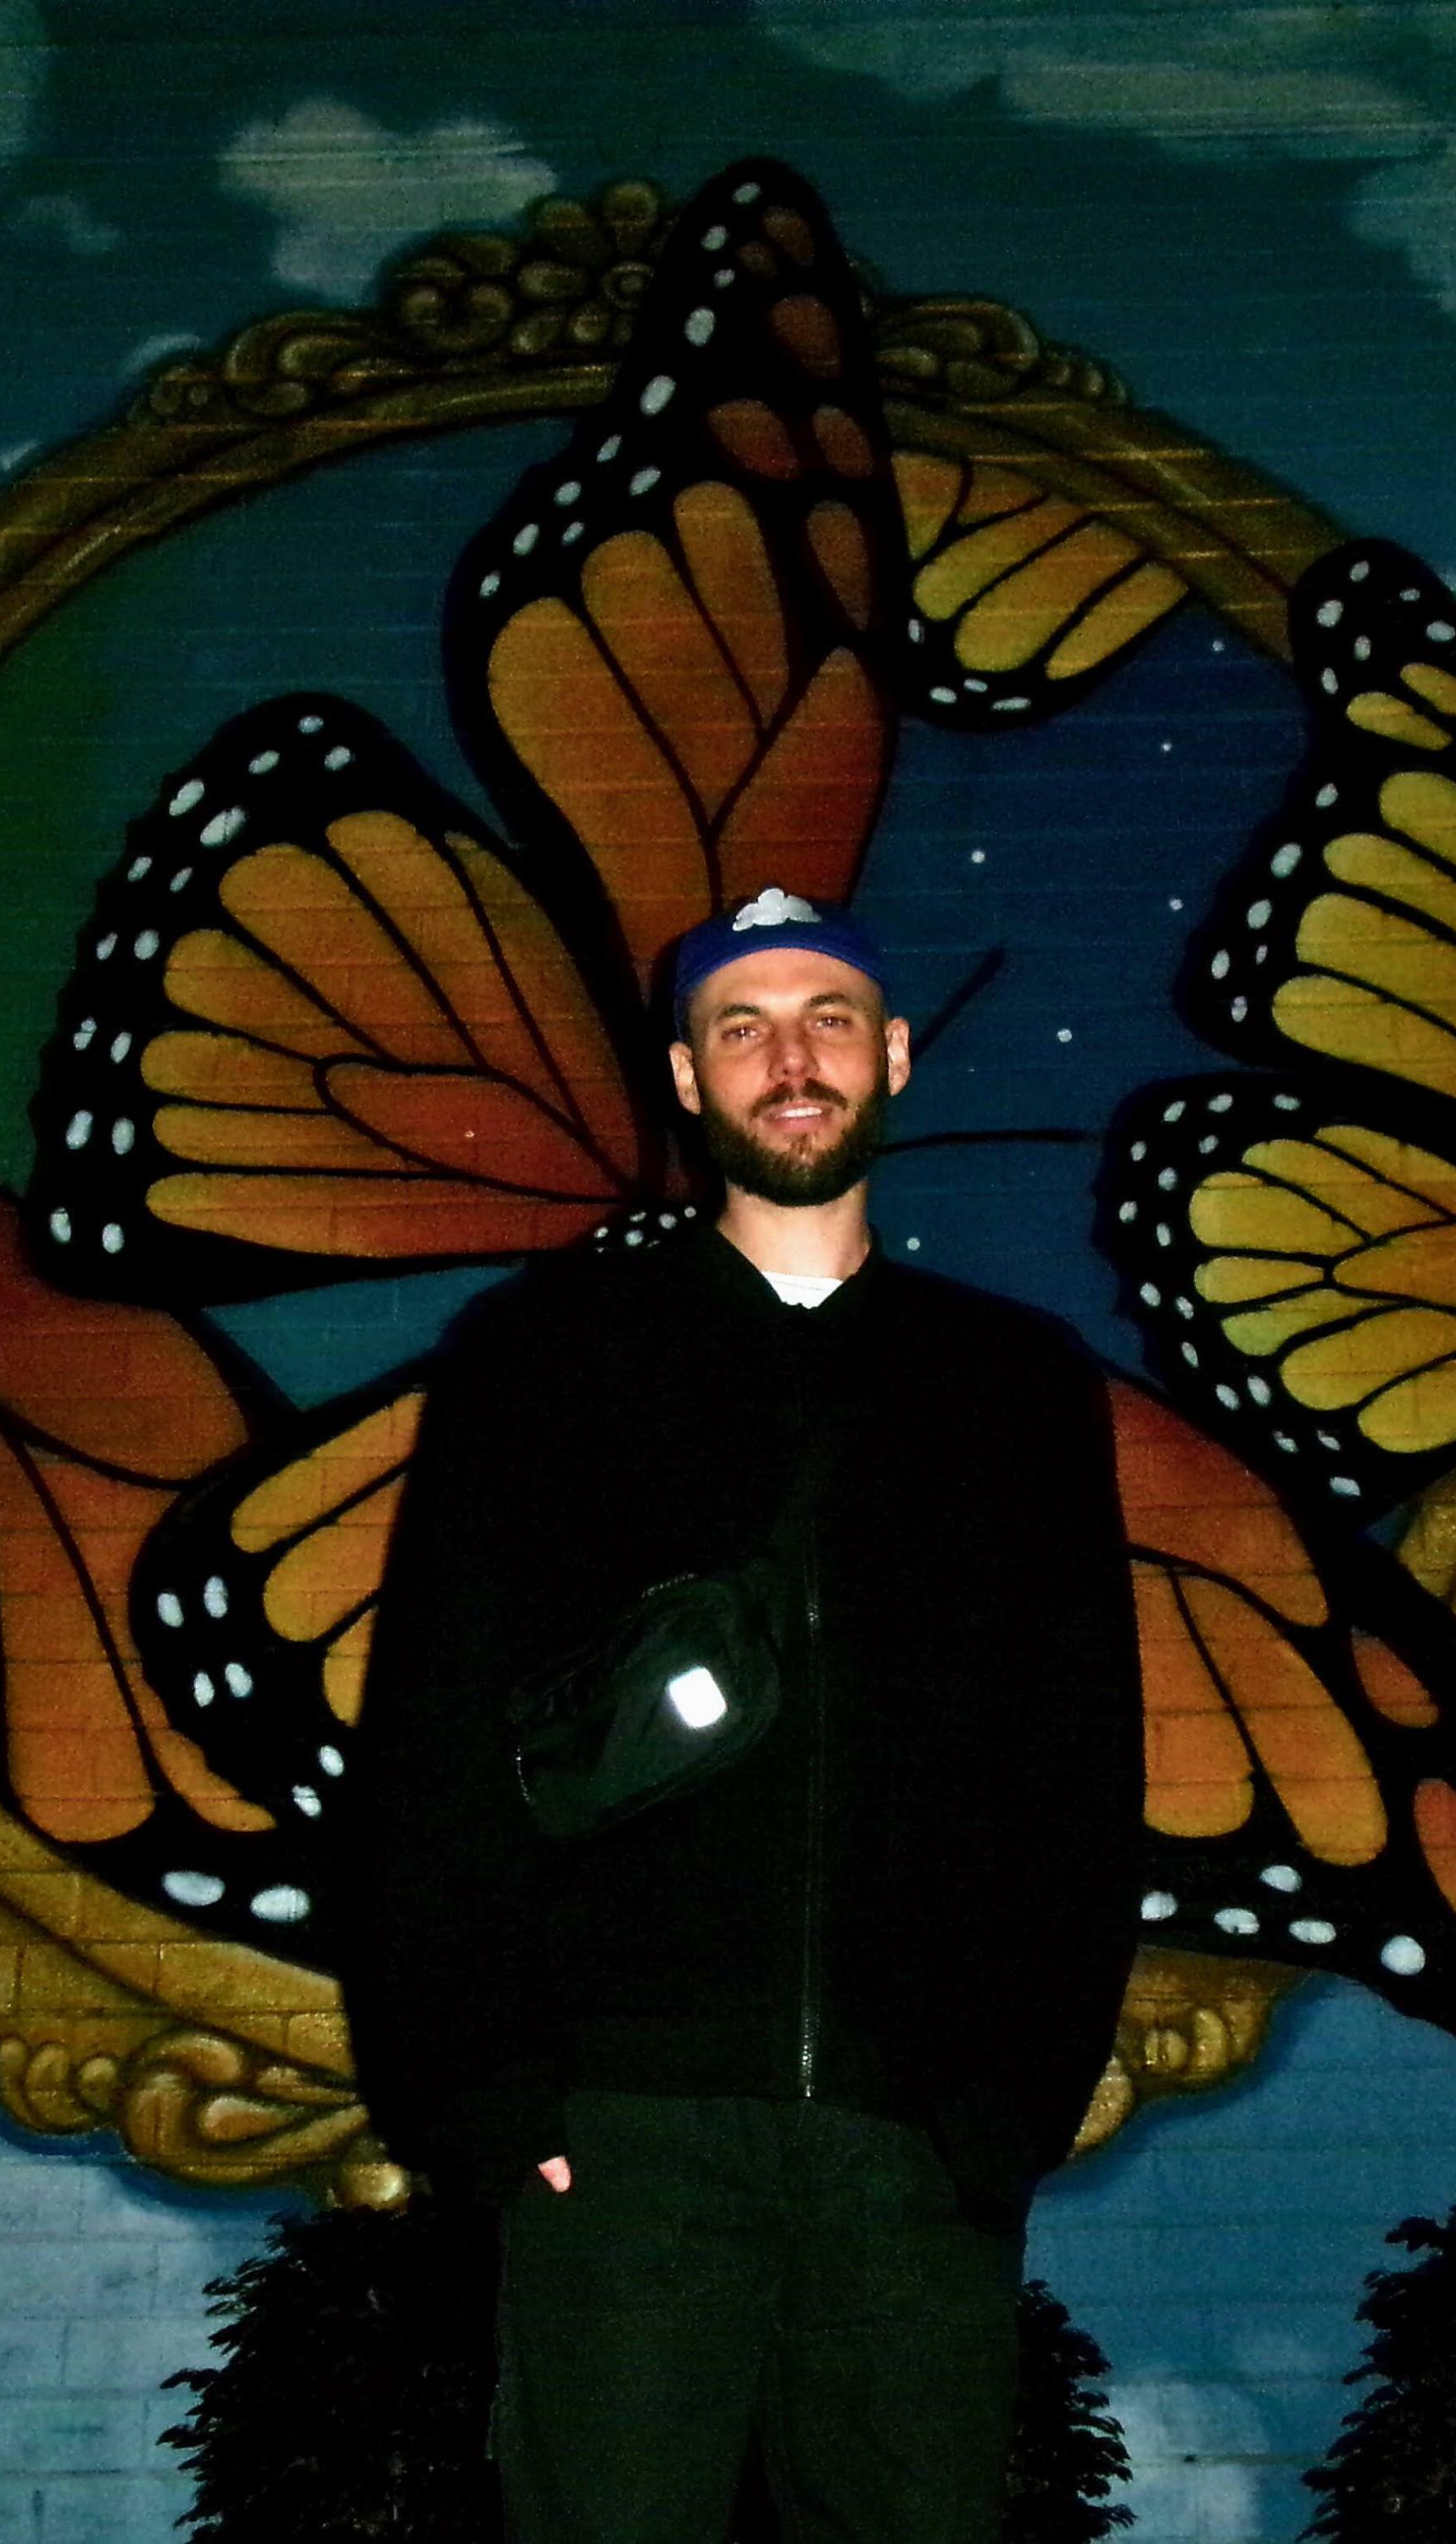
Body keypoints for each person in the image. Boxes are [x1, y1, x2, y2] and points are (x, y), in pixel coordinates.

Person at [346, 888, 1144, 2544]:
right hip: (621, 2134)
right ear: (687, 1077)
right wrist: (489, 2096)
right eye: (744, 1027)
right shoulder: (546, 1357)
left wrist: (1006, 2106)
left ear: (895, 1055)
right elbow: (433, 1737)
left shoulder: (1012, 1387)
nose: (792, 1059)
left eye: (828, 1018)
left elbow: (1078, 1770)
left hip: (913, 2142)